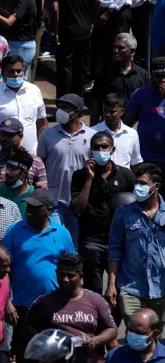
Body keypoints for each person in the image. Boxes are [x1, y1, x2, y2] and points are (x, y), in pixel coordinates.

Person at [2, 189, 76, 363]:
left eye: (36, 207)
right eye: (29, 206)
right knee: (24, 355)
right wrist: (7, 301)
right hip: (22, 306)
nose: (30, 210)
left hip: (54, 307)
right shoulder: (15, 230)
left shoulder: (62, 233)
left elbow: (72, 267)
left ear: (48, 210)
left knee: (53, 356)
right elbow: (5, 269)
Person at [26, 254, 117, 363]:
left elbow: (112, 329)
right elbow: (28, 326)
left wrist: (95, 341)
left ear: (81, 275)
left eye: (70, 275)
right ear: (56, 273)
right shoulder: (44, 302)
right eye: (61, 275)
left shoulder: (95, 300)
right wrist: (44, 344)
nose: (65, 279)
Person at [70, 130, 136, 294]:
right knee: (93, 291)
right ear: (90, 151)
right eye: (96, 147)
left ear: (112, 150)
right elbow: (78, 208)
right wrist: (89, 178)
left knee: (121, 290)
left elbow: (135, 206)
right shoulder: (80, 176)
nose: (101, 151)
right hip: (91, 241)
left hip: (119, 241)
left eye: (105, 147)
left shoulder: (125, 175)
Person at [107, 163, 165, 319]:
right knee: (135, 331)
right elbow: (115, 250)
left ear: (156, 186)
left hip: (161, 288)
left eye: (143, 184)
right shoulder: (123, 213)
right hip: (131, 286)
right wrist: (111, 284)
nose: (138, 187)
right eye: (137, 183)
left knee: (154, 334)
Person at [37, 94, 95, 240]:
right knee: (54, 239)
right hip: (54, 199)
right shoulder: (48, 134)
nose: (61, 111)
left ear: (78, 113)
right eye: (60, 107)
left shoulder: (92, 136)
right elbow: (40, 163)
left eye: (66, 108)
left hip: (78, 200)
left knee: (75, 243)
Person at [49, 0, 99, 97]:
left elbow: (55, 9)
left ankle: (64, 103)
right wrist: (92, 22)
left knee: (65, 68)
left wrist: (54, 31)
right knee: (80, 67)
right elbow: (96, 1)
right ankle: (78, 101)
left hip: (66, 33)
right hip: (84, 31)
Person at [91, 35, 150, 126]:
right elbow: (97, 102)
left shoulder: (142, 75)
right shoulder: (104, 73)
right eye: (115, 47)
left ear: (132, 51)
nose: (116, 51)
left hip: (134, 126)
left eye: (121, 48)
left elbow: (147, 102)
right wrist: (92, 127)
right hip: (110, 125)